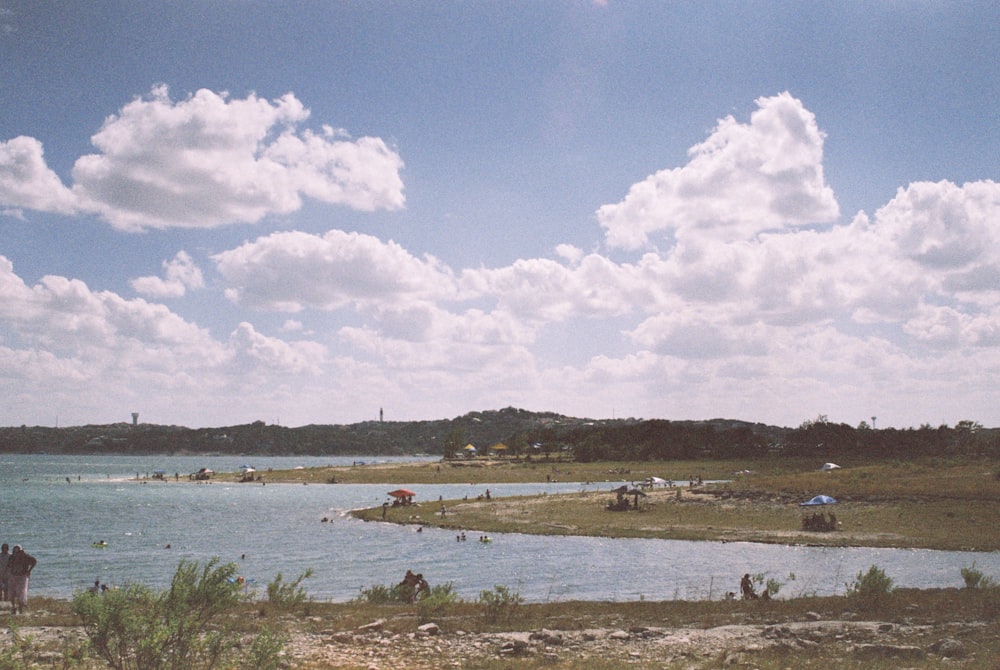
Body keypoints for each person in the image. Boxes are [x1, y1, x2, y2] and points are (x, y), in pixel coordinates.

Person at [8, 545, 37, 614]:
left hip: (22, 576)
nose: (17, 553)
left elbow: (34, 561)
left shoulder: (26, 557)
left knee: (21, 593)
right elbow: (8, 565)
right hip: (13, 576)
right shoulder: (11, 557)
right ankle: (13, 607)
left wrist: (29, 570)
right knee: (12, 593)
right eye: (15, 551)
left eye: (18, 551)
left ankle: (20, 609)